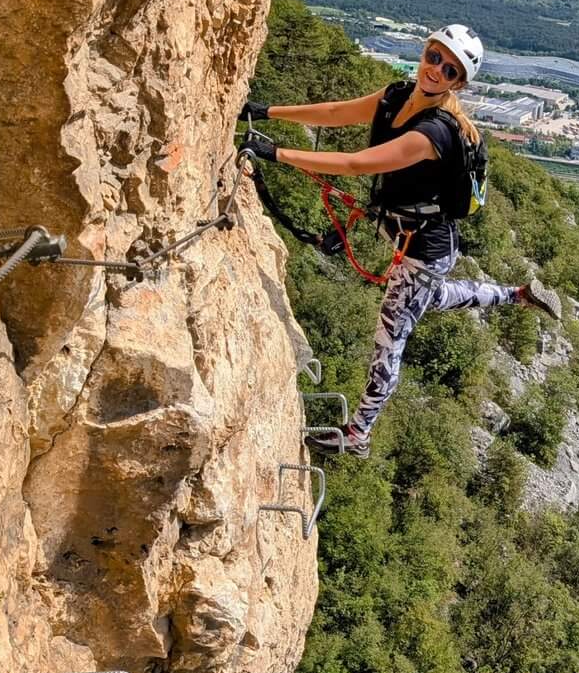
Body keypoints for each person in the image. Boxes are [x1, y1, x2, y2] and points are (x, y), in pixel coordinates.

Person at [240, 23, 561, 456]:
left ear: (458, 84)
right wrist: (266, 111)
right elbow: (338, 113)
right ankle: (516, 294)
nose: (436, 70)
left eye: (450, 70)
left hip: (423, 254)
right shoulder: (396, 96)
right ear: (425, 52)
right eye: (435, 57)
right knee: (436, 298)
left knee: (389, 341)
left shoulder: (436, 134)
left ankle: (358, 435)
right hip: (421, 245)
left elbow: (357, 163)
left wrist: (276, 153)